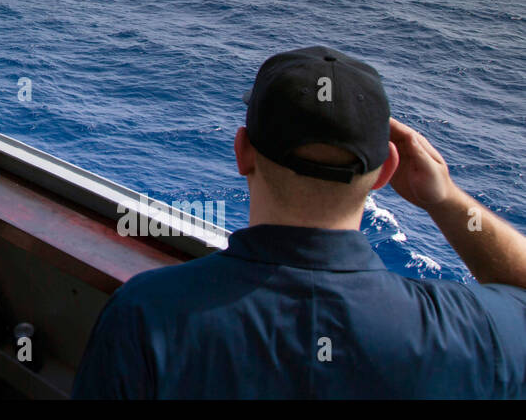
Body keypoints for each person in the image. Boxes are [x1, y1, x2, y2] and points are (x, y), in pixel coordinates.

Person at [73, 46, 526, 399]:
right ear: (386, 172)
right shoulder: (469, 334)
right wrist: (443, 199)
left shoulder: (144, 318)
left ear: (243, 151)